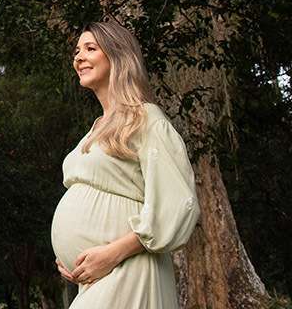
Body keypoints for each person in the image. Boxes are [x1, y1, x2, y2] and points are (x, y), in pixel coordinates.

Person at [50, 21, 200, 308]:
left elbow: (179, 203)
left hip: (130, 268)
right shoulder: (95, 129)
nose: (78, 57)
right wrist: (71, 256)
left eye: (90, 49)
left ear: (118, 56)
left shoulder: (146, 119)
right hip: (95, 277)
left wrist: (112, 254)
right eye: (76, 50)